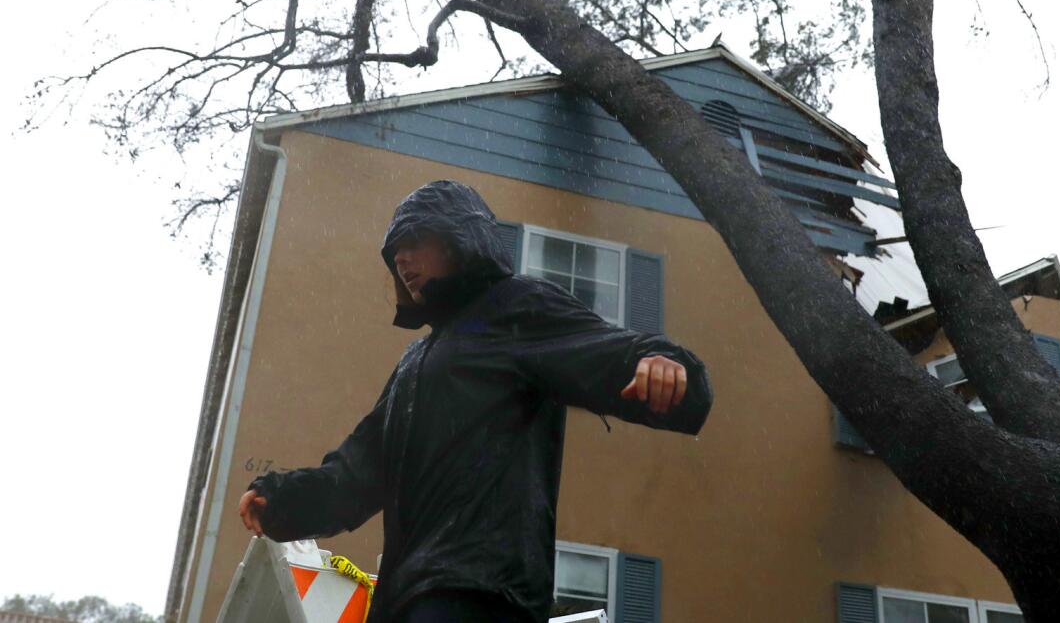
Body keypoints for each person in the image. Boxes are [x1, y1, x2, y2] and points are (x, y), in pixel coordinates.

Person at [237, 179, 713, 622]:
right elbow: (355, 474)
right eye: (394, 252)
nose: (401, 260)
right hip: (408, 599)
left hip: (482, 593)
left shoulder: (514, 308)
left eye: (414, 241)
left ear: (457, 239)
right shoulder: (415, 361)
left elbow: (605, 350)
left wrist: (665, 364)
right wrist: (282, 499)